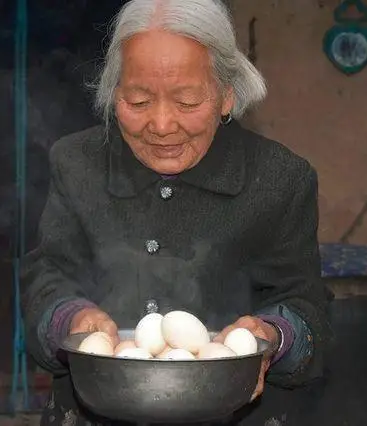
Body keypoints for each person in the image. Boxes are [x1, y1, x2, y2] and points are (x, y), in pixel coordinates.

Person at [22, 0, 332, 424]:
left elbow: (305, 303)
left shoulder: (280, 179)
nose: (163, 124)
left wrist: (273, 336)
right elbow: (47, 276)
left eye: (187, 102)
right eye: (138, 100)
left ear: (227, 95)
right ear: (114, 95)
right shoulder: (77, 164)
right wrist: (70, 319)